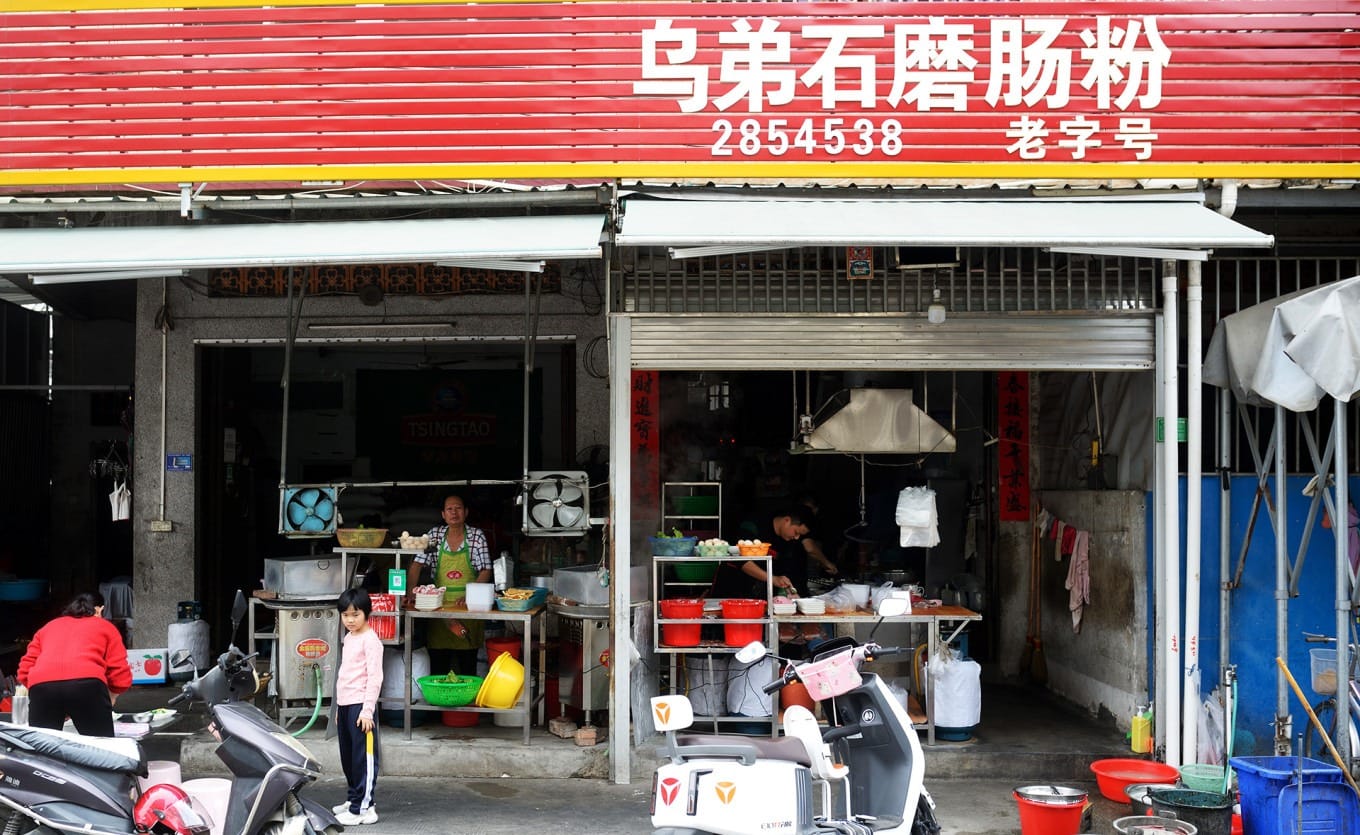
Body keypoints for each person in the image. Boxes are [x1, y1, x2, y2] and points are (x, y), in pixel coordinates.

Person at [17, 591, 132, 736]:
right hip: (87, 686)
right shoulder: (105, 626)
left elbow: (25, 668)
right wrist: (112, 695)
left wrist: (53, 697)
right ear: (99, 610)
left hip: (42, 688)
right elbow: (119, 669)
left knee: (42, 750)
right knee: (101, 749)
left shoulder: (48, 627)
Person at [406, 493, 492, 676]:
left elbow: (486, 570)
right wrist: (410, 595)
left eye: (458, 508)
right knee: (439, 666)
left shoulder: (476, 536)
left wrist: (471, 596)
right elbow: (416, 566)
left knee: (468, 667)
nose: (454, 512)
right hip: (438, 609)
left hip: (468, 607)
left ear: (466, 512)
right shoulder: (434, 535)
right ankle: (440, 703)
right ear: (443, 514)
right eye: (449, 509)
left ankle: (467, 703)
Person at [332, 587, 384, 826]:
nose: (350, 620)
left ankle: (364, 808)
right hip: (346, 705)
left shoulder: (371, 641)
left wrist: (367, 710)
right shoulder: (349, 638)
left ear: (367, 613)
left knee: (363, 759)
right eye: (345, 615)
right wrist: (339, 709)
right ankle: (354, 799)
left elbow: (375, 677)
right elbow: (346, 674)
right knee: (349, 758)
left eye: (356, 614)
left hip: (361, 707)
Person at [712, 508, 811, 599]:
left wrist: (787, 587)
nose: (797, 537)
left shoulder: (788, 541)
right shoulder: (753, 525)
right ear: (787, 520)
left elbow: (784, 568)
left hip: (758, 594)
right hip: (732, 586)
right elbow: (740, 560)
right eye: (796, 532)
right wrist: (772, 579)